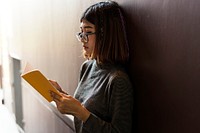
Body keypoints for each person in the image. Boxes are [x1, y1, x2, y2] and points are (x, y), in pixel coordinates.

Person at [49, 1, 133, 133]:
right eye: (81, 32)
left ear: (105, 35)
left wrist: (81, 112)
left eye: (87, 32)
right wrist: (61, 95)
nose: (82, 38)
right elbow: (85, 108)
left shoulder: (118, 80)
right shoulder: (87, 67)